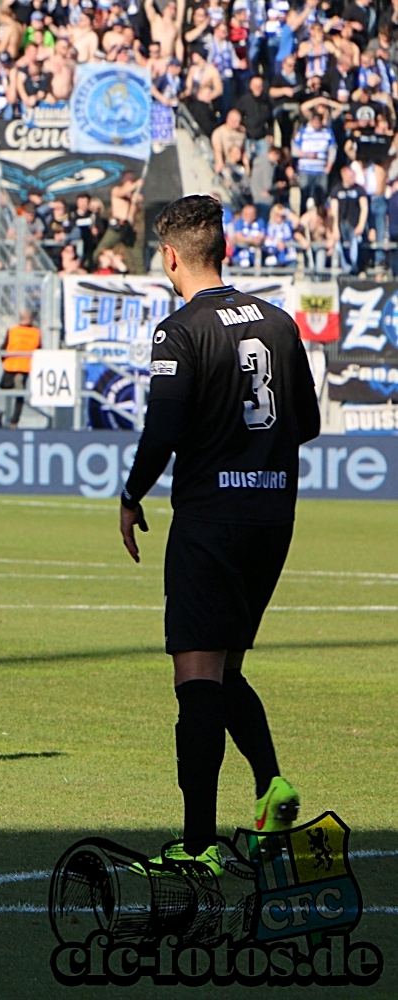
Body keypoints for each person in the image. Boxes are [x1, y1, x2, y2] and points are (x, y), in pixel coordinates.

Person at [119, 194, 319, 875]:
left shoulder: (179, 330)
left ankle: (197, 847)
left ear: (170, 255)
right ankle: (273, 785)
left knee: (195, 673)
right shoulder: (282, 323)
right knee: (225, 665)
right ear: (223, 250)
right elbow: (307, 423)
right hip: (273, 517)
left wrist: (130, 492)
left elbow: (166, 429)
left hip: (210, 516)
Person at [0, 308, 40, 428]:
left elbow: (3, 347)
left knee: (5, 387)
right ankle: (14, 421)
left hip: (11, 365)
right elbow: (39, 349)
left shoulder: (12, 330)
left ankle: (13, 421)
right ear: (30, 319)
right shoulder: (36, 332)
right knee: (19, 396)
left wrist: (4, 360)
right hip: (25, 366)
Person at [292, 109, 336, 213]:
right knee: (304, 196)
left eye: (319, 122)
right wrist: (307, 155)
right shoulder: (303, 131)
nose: (317, 124)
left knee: (321, 198)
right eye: (315, 122)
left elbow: (332, 149)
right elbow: (294, 151)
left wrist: (329, 166)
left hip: (321, 170)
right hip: (305, 170)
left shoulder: (327, 132)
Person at [329, 164, 368, 273]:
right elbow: (334, 211)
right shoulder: (336, 190)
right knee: (340, 247)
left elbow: (364, 208)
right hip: (342, 223)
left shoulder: (359, 190)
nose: (352, 178)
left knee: (355, 247)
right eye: (350, 176)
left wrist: (361, 225)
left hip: (354, 223)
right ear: (344, 176)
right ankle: (345, 269)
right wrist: (335, 228)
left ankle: (354, 269)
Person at [227, 201, 266, 267]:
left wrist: (258, 239)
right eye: (247, 214)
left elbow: (262, 234)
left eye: (252, 214)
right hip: (242, 251)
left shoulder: (260, 221)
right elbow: (238, 236)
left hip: (256, 252)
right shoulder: (239, 222)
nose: (250, 216)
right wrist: (252, 241)